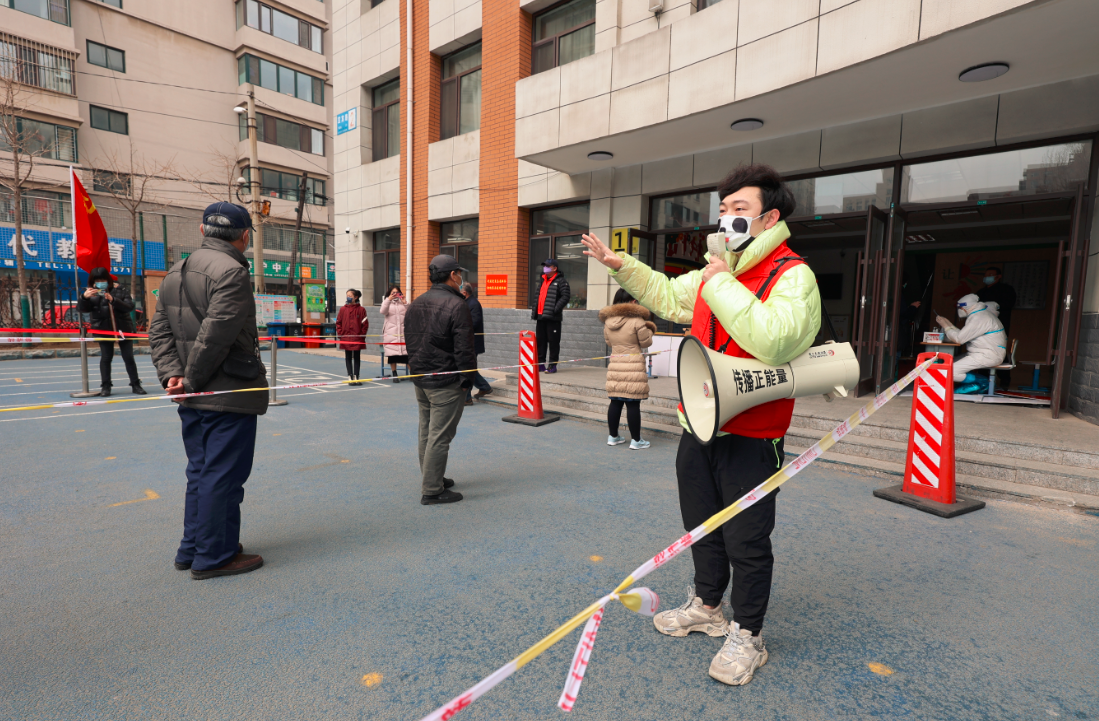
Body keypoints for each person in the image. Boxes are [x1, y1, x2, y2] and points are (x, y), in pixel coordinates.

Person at [581, 164, 821, 687]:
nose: (727, 218)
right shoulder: (719, 267)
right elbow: (668, 297)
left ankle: (748, 633)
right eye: (724, 209)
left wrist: (720, 283)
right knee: (702, 525)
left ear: (769, 217)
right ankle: (708, 605)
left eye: (740, 209)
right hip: (701, 423)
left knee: (748, 539)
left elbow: (776, 340)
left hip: (754, 435)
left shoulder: (792, 275)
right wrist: (622, 265)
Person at [148, 202, 267, 580]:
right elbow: (217, 334)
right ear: (244, 236)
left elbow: (159, 332)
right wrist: (192, 379)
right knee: (224, 476)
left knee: (201, 471)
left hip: (191, 393)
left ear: (202, 231)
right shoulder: (232, 272)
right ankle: (215, 555)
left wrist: (173, 376)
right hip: (227, 391)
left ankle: (195, 547)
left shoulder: (174, 272)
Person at [404, 255, 476, 505]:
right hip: (446, 378)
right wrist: (468, 378)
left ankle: (432, 477)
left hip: (421, 376)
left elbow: (410, 340)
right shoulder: (457, 305)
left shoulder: (417, 302)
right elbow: (464, 347)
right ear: (453, 275)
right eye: (459, 272)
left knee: (426, 430)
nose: (460, 276)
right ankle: (432, 489)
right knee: (440, 436)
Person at [600, 287, 656, 450]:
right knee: (632, 403)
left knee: (615, 400)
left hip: (616, 364)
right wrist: (651, 329)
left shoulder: (608, 321)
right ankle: (636, 440)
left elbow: (609, 343)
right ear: (632, 302)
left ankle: (613, 436)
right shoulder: (637, 320)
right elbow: (646, 343)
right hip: (633, 365)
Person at [78, 267, 146, 396]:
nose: (101, 282)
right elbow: (82, 310)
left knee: (128, 357)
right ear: (93, 281)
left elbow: (129, 307)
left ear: (108, 279)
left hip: (123, 328)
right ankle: (106, 386)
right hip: (103, 329)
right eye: (97, 280)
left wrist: (113, 300)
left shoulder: (119, 290)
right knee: (106, 358)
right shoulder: (90, 293)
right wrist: (84, 298)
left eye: (103, 279)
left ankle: (136, 385)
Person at [935, 293, 1006, 394]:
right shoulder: (979, 314)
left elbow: (959, 339)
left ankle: (983, 383)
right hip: (983, 352)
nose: (959, 310)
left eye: (959, 307)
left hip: (988, 355)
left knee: (949, 371)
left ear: (965, 307)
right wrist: (949, 325)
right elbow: (965, 334)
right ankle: (979, 383)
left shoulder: (979, 318)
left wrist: (946, 327)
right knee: (949, 364)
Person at [530, 258, 570, 373]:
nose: (545, 268)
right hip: (541, 316)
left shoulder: (561, 281)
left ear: (554, 268)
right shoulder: (543, 280)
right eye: (544, 266)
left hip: (553, 317)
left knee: (553, 342)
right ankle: (540, 364)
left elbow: (565, 297)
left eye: (548, 266)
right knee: (541, 341)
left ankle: (552, 365)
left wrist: (555, 309)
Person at [977, 266, 1015, 387]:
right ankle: (983, 381)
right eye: (986, 275)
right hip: (981, 328)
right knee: (981, 351)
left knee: (998, 351)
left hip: (998, 327)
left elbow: (1008, 305)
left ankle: (1004, 381)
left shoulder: (1006, 290)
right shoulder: (980, 292)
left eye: (991, 275)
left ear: (998, 276)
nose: (987, 277)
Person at [461, 282, 493, 405]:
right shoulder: (467, 303)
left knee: (468, 368)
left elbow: (474, 322)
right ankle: (484, 387)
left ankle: (467, 398)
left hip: (472, 343)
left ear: (465, 293)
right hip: (467, 342)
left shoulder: (473, 304)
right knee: (470, 368)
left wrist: (460, 326)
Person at [336, 288, 368, 386]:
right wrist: (341, 334)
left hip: (357, 337)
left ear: (356, 297)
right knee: (348, 357)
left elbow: (365, 324)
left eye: (350, 296)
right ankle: (350, 376)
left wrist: (362, 335)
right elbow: (338, 323)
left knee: (357, 357)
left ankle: (356, 377)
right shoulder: (343, 309)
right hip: (346, 337)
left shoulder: (361, 310)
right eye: (347, 296)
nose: (348, 297)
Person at [381, 284, 409, 381]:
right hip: (391, 333)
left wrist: (405, 303)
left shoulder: (402, 304)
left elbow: (409, 314)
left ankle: (412, 374)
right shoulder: (387, 303)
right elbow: (383, 311)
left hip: (402, 332)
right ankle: (394, 374)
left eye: (397, 292)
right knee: (392, 355)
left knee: (407, 354)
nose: (395, 294)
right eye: (393, 293)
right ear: (389, 293)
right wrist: (388, 300)